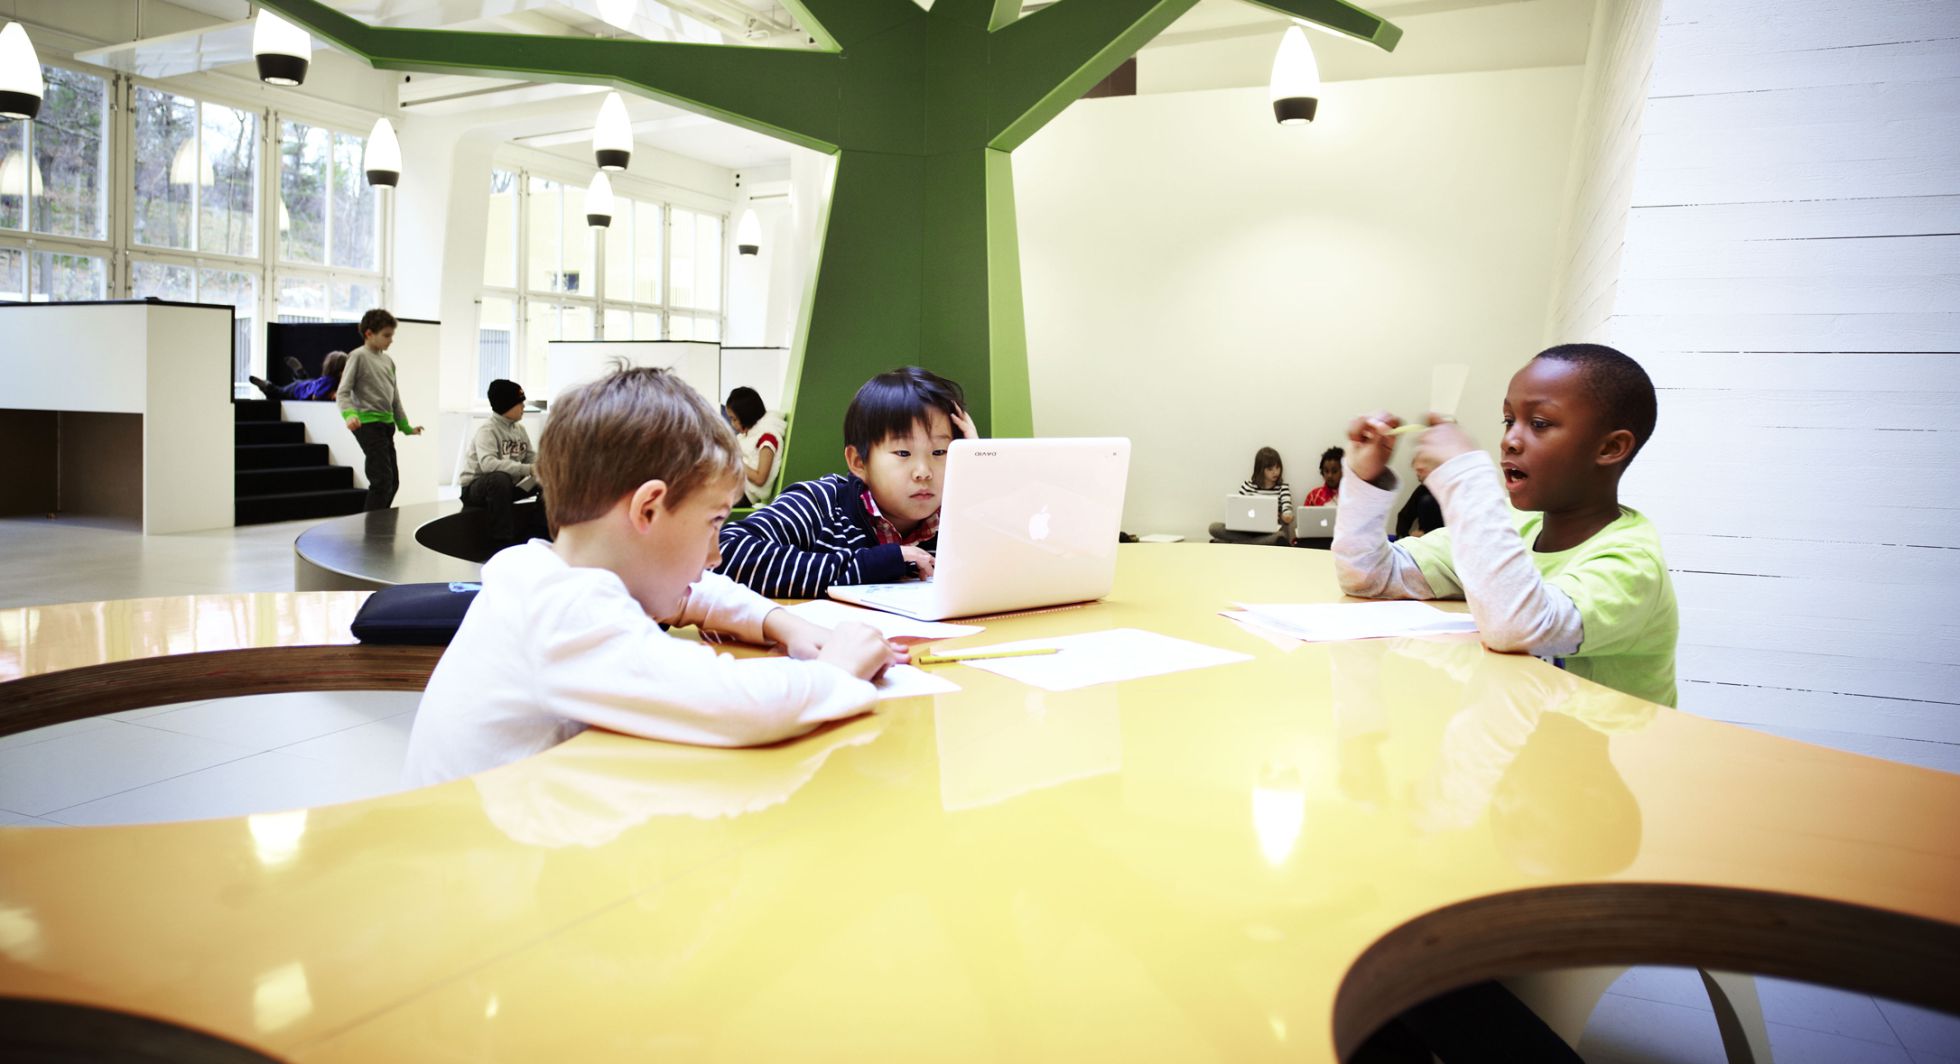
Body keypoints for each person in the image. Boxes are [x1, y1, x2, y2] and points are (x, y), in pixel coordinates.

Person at [402, 366, 903, 788]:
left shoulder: (545, 568)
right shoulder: (568, 609)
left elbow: (694, 594)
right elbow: (732, 705)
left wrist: (779, 623)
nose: (714, 554)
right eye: (713, 524)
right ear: (647, 509)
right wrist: (834, 672)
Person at [1333, 343, 1677, 707]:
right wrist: (1364, 477)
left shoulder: (1632, 564)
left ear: (1609, 448)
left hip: (1604, 761)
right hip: (1521, 747)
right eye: (1509, 420)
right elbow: (1371, 576)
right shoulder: (1515, 529)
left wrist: (1465, 476)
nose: (1509, 440)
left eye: (1539, 424)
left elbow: (1518, 627)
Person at [716, 366, 977, 600]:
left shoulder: (959, 516)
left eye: (940, 452)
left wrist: (977, 466)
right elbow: (725, 553)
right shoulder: (819, 503)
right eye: (903, 453)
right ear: (858, 462)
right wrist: (869, 565)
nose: (924, 472)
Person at [336, 309, 423, 511]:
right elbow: (343, 392)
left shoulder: (388, 361)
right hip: (367, 424)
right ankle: (371, 531)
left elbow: (395, 398)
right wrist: (350, 415)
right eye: (386, 335)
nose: (390, 340)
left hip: (386, 425)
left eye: (391, 335)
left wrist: (406, 426)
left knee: (393, 483)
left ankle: (378, 525)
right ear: (369, 334)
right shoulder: (357, 356)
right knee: (382, 482)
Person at [460, 378, 542, 545]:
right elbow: (488, 464)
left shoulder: (520, 429)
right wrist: (528, 469)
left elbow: (531, 457)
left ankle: (539, 534)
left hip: (509, 488)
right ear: (506, 405)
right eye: (520, 403)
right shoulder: (487, 430)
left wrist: (543, 468)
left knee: (546, 479)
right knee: (499, 478)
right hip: (477, 489)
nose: (523, 407)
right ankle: (502, 540)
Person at [1208, 446, 1293, 546]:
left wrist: (1283, 515)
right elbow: (1236, 511)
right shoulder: (1248, 486)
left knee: (1280, 536)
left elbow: (1288, 515)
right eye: (1270, 469)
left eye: (1278, 467)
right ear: (1260, 469)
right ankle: (1251, 542)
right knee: (1214, 528)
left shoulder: (1282, 488)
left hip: (1270, 532)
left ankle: (1233, 543)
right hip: (1247, 531)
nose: (1275, 472)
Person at [724, 386, 787, 506]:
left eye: (734, 419)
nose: (732, 424)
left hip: (742, 495)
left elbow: (760, 478)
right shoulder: (748, 437)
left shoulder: (768, 438)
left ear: (745, 416)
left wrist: (734, 462)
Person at [248, 351, 346, 402]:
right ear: (340, 371)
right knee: (279, 392)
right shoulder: (331, 381)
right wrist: (331, 395)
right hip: (297, 390)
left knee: (306, 381)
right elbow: (316, 396)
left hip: (306, 385)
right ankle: (268, 386)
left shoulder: (329, 380)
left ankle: (300, 373)